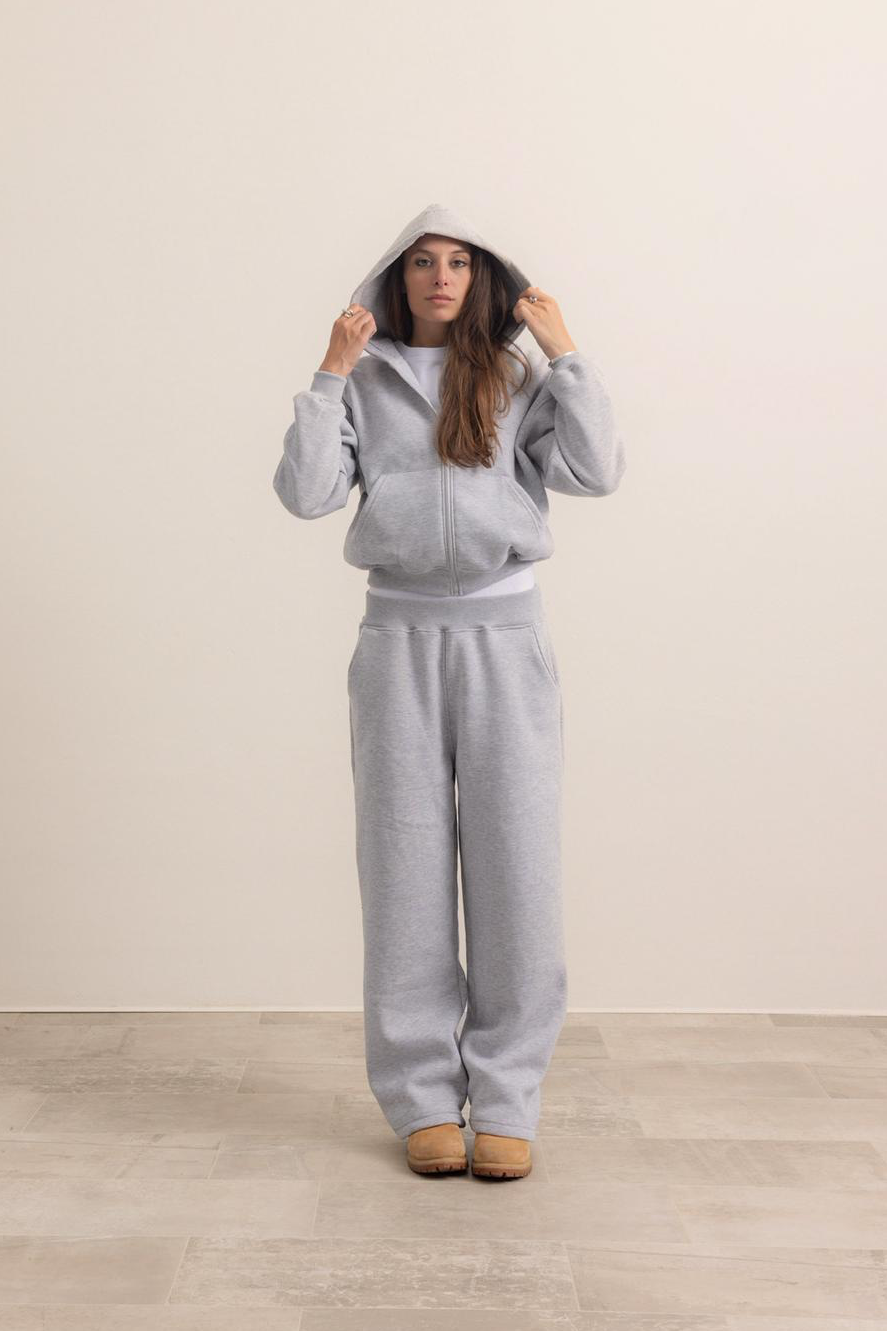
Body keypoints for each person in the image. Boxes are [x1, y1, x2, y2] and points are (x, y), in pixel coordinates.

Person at [273, 203, 626, 1180]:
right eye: (423, 261)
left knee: (517, 868)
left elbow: (597, 470)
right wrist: (329, 372)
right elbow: (305, 493)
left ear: (481, 278)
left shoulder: (513, 375)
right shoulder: (365, 378)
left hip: (505, 638)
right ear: (397, 276)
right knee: (403, 871)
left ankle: (506, 1098)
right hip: (396, 641)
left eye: (460, 262)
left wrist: (563, 353)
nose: (440, 277)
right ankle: (424, 1098)